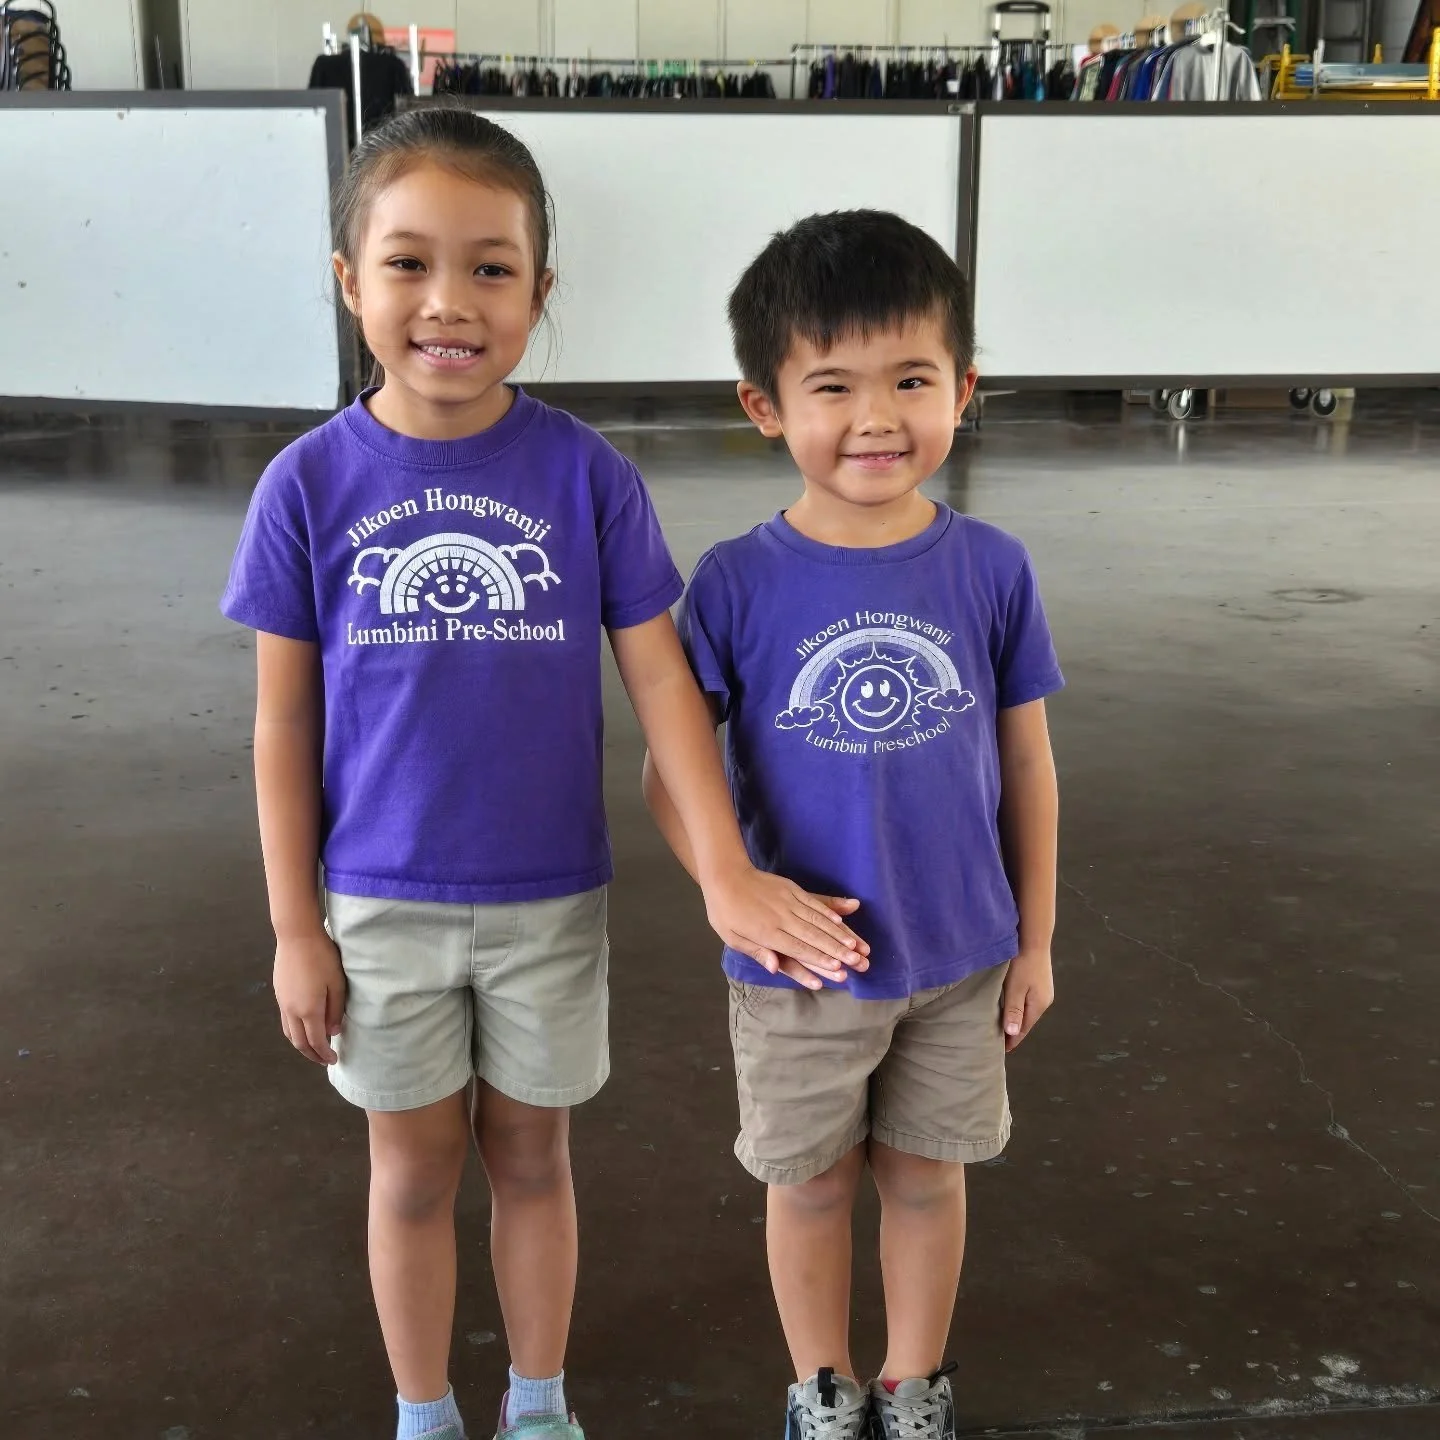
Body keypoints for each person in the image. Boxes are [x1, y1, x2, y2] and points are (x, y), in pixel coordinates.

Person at [220, 109, 868, 1440]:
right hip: (379, 907)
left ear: (540, 292)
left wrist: (730, 869)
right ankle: (422, 1413)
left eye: (492, 268)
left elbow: (661, 687)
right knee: (408, 1172)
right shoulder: (305, 487)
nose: (448, 302)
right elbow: (282, 730)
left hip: (549, 907)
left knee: (531, 1158)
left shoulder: (586, 476)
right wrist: (295, 927)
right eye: (406, 264)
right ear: (349, 282)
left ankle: (535, 1405)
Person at [643, 210, 1064, 1440]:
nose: (877, 417)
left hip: (959, 958)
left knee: (930, 1178)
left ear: (965, 388)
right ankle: (821, 1386)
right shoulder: (732, 581)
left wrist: (1034, 940)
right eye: (833, 385)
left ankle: (911, 1382)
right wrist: (728, 889)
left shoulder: (992, 566)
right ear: (763, 405)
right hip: (799, 973)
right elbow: (676, 777)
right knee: (813, 1185)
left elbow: (1029, 763)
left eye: (912, 380)